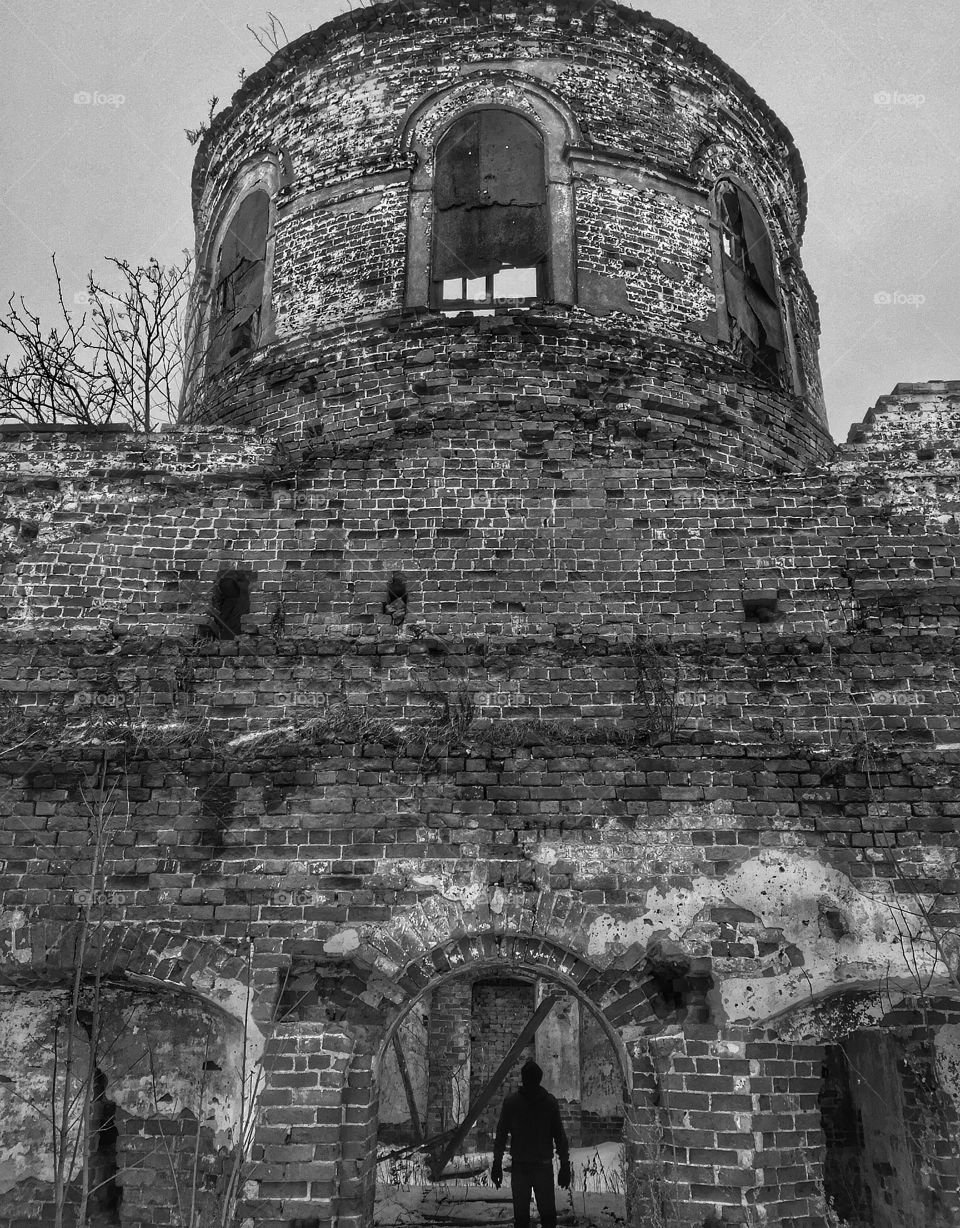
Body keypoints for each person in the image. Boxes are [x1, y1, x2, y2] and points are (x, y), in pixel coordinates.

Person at [491, 1059, 571, 1228]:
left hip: (520, 1167)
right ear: (539, 1079)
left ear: (523, 1079)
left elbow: (501, 1136)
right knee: (548, 1218)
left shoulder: (512, 1103)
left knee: (521, 1220)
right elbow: (560, 1137)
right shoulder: (549, 1103)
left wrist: (497, 1163)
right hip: (543, 1167)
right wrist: (565, 1164)